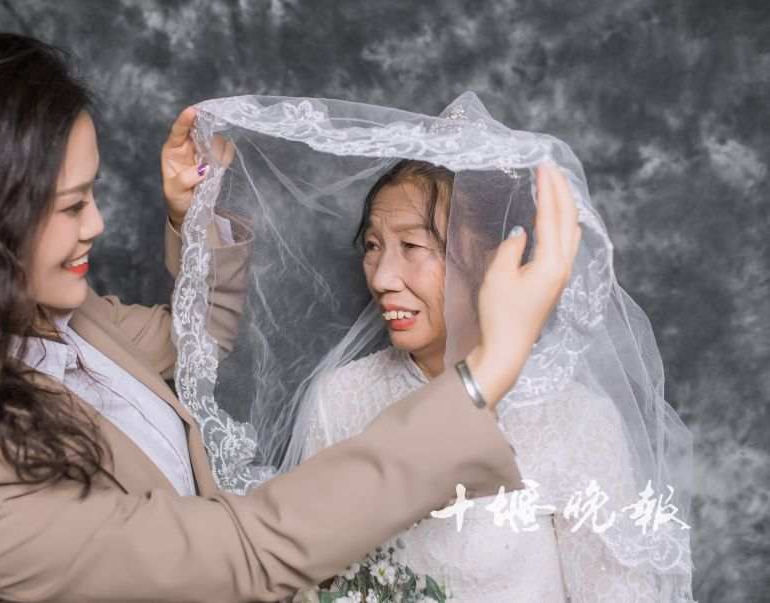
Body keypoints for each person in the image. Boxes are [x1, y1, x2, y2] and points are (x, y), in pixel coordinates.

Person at [0, 31, 579, 603]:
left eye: (92, 193)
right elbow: (245, 551)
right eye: (73, 205)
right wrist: (485, 372)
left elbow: (190, 342)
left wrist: (196, 213)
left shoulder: (62, 322)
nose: (99, 223)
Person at [176, 94, 694, 601]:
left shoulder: (575, 420)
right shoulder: (342, 396)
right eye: (374, 246)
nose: (382, 278)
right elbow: (313, 571)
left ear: (492, 259)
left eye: (413, 247)